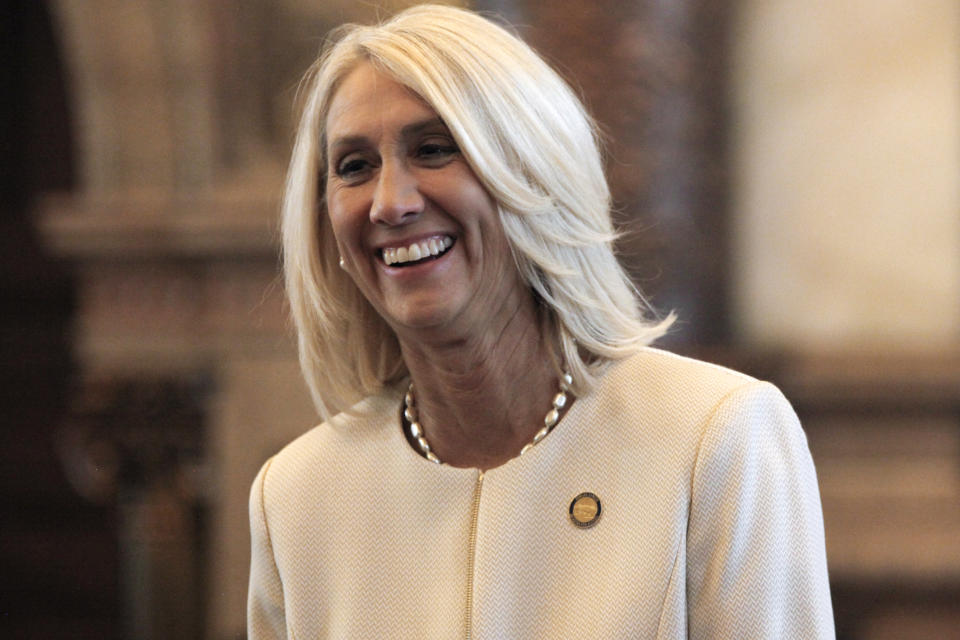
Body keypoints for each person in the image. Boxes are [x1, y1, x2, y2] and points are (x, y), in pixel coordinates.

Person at [248, 5, 834, 638]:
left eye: (435, 149)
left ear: (532, 174)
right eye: (355, 167)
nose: (391, 203)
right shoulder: (296, 499)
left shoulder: (713, 437)